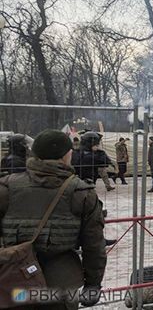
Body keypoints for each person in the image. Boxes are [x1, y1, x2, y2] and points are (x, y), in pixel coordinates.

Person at [0, 129, 106, 309]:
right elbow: (93, 245)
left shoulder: (6, 187)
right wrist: (93, 284)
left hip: (13, 278)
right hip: (60, 282)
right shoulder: (81, 192)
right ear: (66, 155)